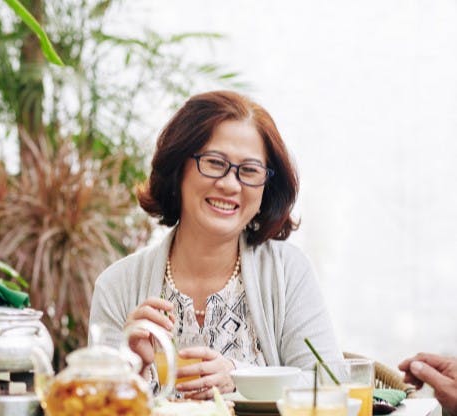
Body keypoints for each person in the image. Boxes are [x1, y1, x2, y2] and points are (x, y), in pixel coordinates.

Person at [88, 90, 342, 399]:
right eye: (214, 162)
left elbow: (330, 385)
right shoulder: (117, 286)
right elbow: (92, 404)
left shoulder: (287, 272)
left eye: (249, 170)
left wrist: (240, 377)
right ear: (178, 167)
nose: (230, 184)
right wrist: (132, 369)